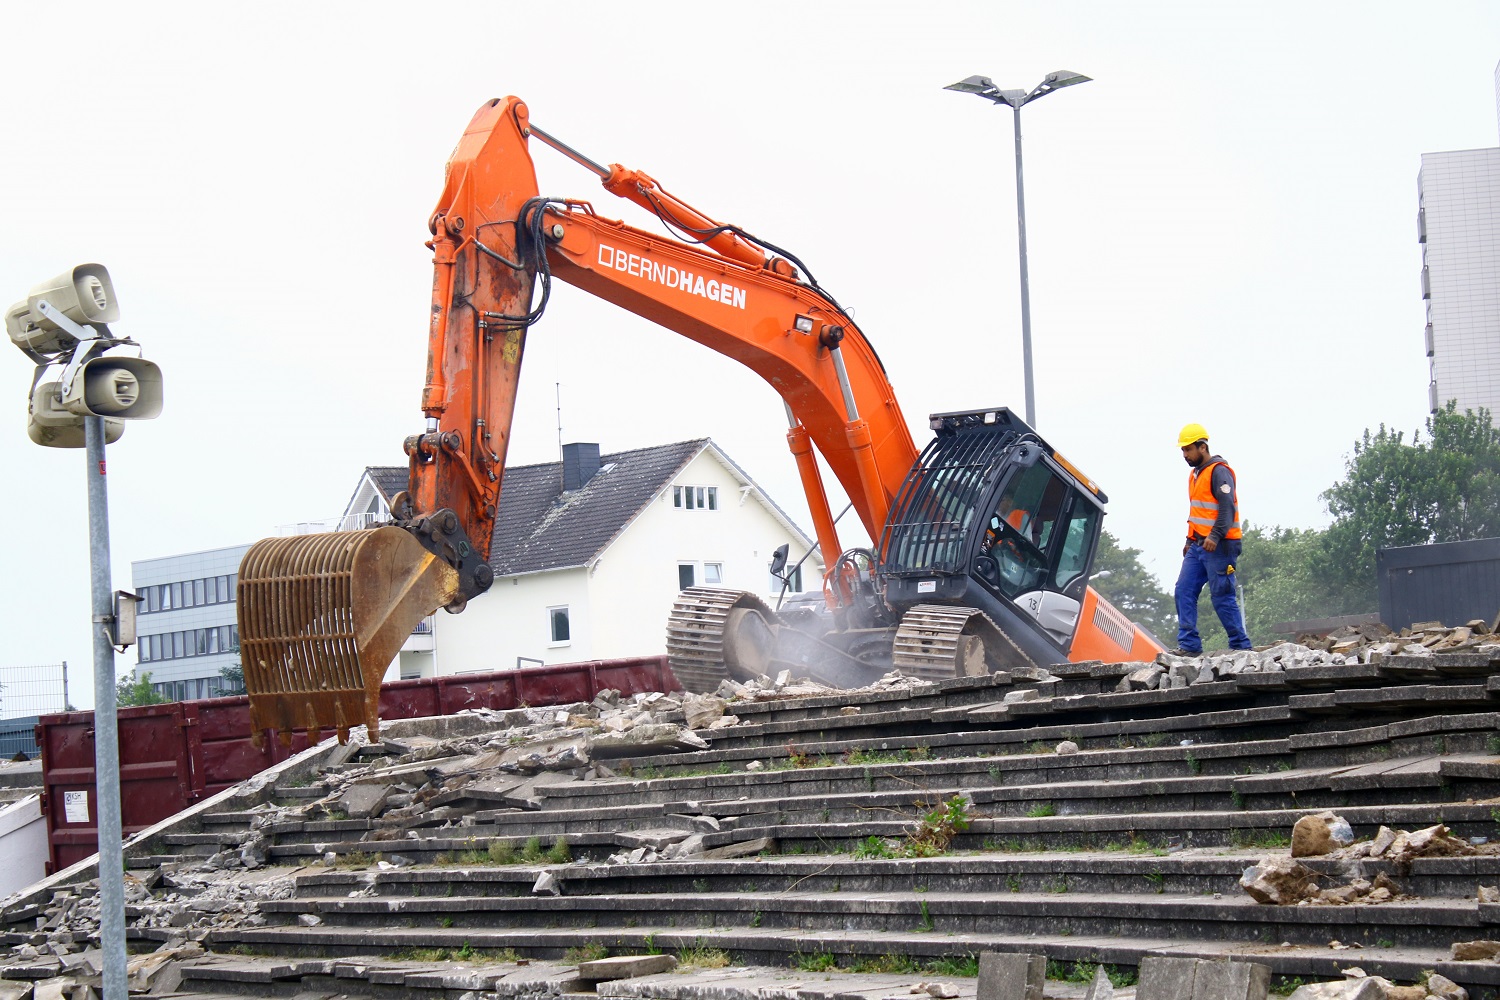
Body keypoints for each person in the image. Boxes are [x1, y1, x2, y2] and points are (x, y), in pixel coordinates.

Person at [1172, 423, 1251, 654]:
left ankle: (1240, 646)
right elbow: (1198, 511)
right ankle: (1189, 645)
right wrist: (1189, 540)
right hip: (1198, 546)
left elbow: (1227, 509)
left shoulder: (1219, 471)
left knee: (1222, 596)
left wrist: (1215, 536)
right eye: (1183, 451)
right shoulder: (1194, 474)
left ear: (1202, 447)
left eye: (1188, 450)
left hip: (1221, 546)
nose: (1185, 455)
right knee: (1183, 590)